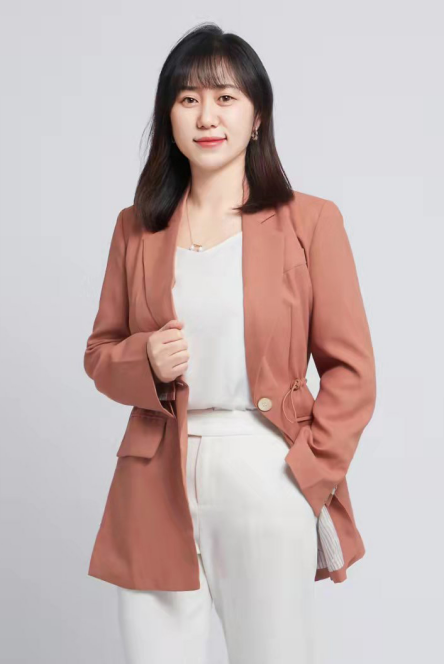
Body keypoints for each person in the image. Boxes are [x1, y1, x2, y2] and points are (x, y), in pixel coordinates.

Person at [83, 22, 377, 664]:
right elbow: (101, 352)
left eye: (225, 98)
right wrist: (144, 359)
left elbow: (352, 371)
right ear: (168, 117)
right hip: (153, 471)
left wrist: (308, 474)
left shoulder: (309, 221)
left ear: (257, 115)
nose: (206, 116)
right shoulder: (135, 228)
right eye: (188, 99)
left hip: (264, 466)